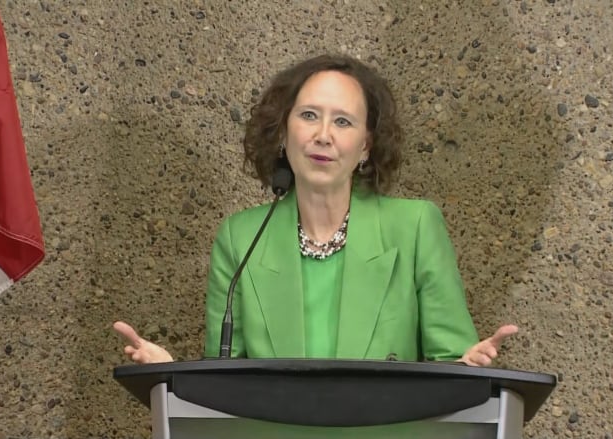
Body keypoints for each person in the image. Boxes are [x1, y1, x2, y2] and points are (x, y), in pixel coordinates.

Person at [113, 54, 518, 366]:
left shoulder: (414, 227)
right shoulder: (241, 239)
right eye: (309, 116)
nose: (323, 135)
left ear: (365, 146)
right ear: (284, 131)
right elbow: (225, 383)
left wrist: (467, 369)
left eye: (343, 122)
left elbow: (452, 366)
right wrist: (170, 378)